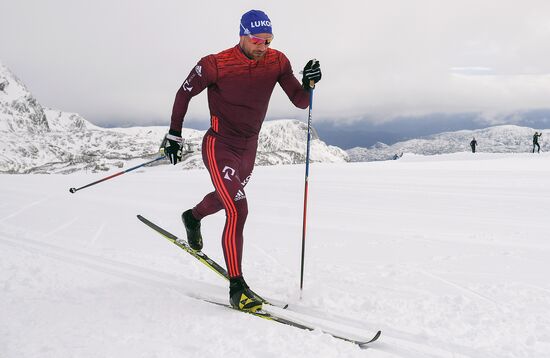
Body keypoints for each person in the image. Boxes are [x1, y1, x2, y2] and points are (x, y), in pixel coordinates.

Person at [161, 10, 322, 312]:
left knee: (227, 198)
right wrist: (174, 134)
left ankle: (192, 217)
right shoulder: (216, 64)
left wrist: (309, 84)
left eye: (269, 41)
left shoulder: (277, 62)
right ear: (243, 35)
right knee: (238, 206)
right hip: (219, 144)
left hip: (249, 148)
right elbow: (183, 93)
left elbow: (300, 101)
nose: (264, 47)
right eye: (258, 40)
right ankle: (238, 287)